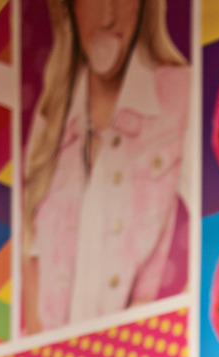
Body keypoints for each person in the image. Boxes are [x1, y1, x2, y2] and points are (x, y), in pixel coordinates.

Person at [21, 0, 190, 334]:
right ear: (70, 9)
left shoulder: (180, 93)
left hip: (138, 354)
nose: (108, 17)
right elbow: (29, 258)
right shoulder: (50, 117)